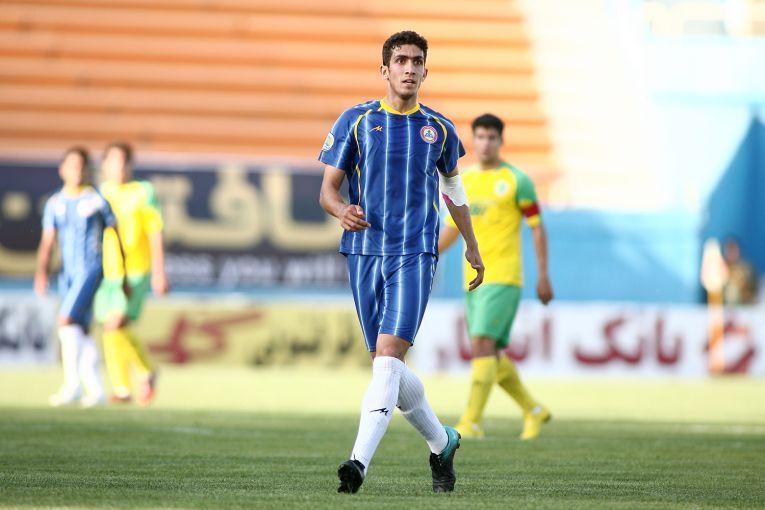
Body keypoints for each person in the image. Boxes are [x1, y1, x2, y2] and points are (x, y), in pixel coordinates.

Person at [319, 31, 484, 494]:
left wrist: (471, 244)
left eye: (416, 61)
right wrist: (341, 210)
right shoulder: (356, 121)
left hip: (415, 253)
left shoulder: (440, 129)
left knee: (389, 357)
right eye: (400, 60)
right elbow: (327, 190)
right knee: (385, 367)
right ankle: (442, 442)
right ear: (384, 70)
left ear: (426, 70)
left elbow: (454, 190)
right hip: (364, 252)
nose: (409, 68)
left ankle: (358, 464)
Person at [439, 114, 553, 440]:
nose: (485, 143)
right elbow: (452, 228)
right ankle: (533, 410)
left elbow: (537, 228)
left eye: (491, 137)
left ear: (501, 141)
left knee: (481, 343)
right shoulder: (464, 180)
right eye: (480, 137)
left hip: (503, 276)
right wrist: (428, 256)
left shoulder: (517, 181)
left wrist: (543, 275)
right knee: (488, 352)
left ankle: (471, 421)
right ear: (472, 141)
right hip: (473, 279)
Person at [34, 147, 118, 407]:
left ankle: (72, 386)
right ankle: (96, 389)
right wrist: (41, 273)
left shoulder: (96, 199)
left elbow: (116, 233)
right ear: (62, 170)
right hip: (67, 273)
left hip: (90, 270)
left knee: (65, 320)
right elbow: (48, 242)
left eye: (82, 166)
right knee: (80, 329)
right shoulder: (55, 203)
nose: (77, 171)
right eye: (72, 165)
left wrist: (122, 273)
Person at [94, 142, 168, 406]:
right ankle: (125, 386)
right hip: (107, 271)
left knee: (115, 324)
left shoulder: (143, 192)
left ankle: (142, 374)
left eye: (124, 161)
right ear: (104, 165)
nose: (119, 167)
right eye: (114, 161)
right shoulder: (100, 193)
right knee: (112, 328)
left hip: (136, 269)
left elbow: (155, 231)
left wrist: (159, 272)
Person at [722, 237, 757, 305]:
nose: (731, 253)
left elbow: (753, 290)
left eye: (733, 250)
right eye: (729, 250)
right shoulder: (721, 269)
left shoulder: (747, 269)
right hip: (724, 306)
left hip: (744, 306)